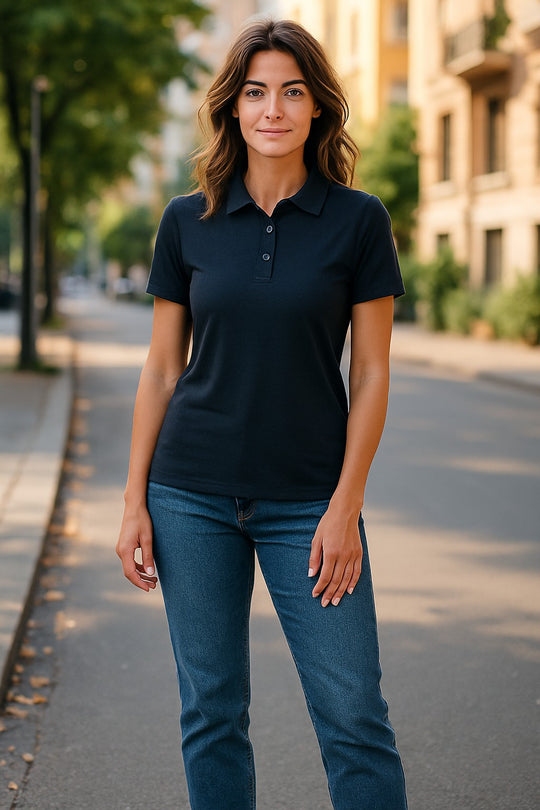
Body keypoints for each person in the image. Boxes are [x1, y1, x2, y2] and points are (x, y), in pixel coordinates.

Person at [116, 18, 408, 810]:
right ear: (232, 109)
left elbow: (374, 371)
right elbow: (162, 368)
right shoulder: (186, 221)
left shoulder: (358, 220)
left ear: (317, 109)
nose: (271, 108)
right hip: (189, 496)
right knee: (210, 714)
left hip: (311, 501)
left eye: (291, 91)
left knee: (353, 715)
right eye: (254, 92)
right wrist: (135, 500)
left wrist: (346, 505)